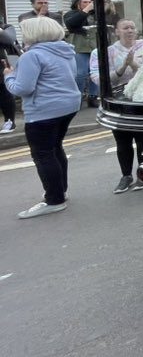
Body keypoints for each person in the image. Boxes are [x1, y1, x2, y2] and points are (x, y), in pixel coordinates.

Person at [5, 16, 80, 219]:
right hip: (68, 106)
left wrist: (8, 76)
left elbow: (23, 89)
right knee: (55, 148)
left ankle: (54, 200)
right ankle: (59, 189)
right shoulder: (65, 50)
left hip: (44, 111)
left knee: (43, 154)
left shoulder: (32, 56)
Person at [90, 19, 143, 193]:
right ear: (116, 31)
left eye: (132, 27)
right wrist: (122, 68)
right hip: (117, 101)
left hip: (141, 99)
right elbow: (97, 79)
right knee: (122, 141)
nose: (129, 31)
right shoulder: (103, 52)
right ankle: (126, 176)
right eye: (125, 28)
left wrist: (134, 65)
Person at [63, 0, 100, 108]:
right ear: (77, 4)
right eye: (85, 2)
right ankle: (77, 97)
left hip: (94, 47)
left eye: (90, 2)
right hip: (80, 47)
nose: (88, 4)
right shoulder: (71, 14)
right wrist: (86, 10)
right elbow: (71, 24)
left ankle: (93, 97)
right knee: (80, 73)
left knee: (95, 72)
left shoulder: (95, 15)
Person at [0, 17, 20, 133]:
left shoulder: (6, 27)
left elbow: (9, 39)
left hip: (2, 64)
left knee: (4, 92)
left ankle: (9, 121)